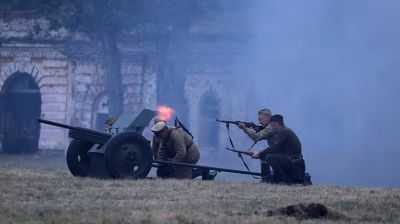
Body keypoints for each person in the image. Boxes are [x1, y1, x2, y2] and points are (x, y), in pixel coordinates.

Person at [251, 114, 304, 184]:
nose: (271, 129)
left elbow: (275, 147)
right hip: (291, 160)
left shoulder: (285, 132)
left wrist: (260, 154)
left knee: (269, 157)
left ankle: (285, 179)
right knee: (269, 155)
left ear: (276, 125)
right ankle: (276, 178)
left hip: (293, 161)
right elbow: (276, 148)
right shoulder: (284, 131)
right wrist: (261, 153)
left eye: (272, 126)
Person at [237, 108, 275, 180]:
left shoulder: (270, 128)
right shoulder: (271, 126)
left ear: (267, 118)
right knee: (264, 156)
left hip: (282, 153)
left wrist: (244, 128)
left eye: (260, 120)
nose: (259, 122)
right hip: (278, 151)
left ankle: (266, 179)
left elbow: (256, 137)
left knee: (264, 155)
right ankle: (266, 179)